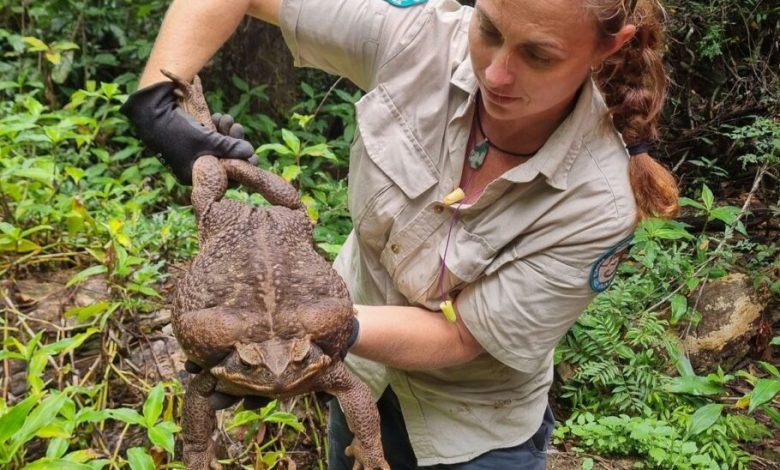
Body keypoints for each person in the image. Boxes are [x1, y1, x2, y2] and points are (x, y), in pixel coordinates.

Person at [121, 0, 679, 468]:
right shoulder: (421, 39)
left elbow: (464, 338)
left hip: (468, 431)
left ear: (609, 46)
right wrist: (157, 108)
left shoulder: (599, 201)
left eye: (538, 54)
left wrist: (306, 329)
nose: (496, 73)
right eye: (488, 30)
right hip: (355, 376)